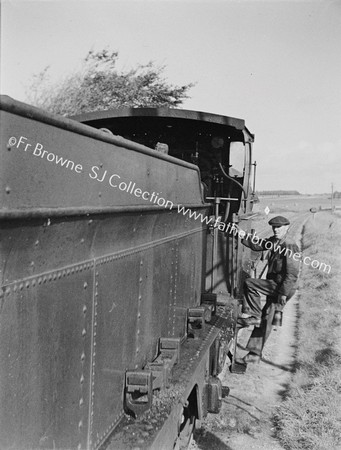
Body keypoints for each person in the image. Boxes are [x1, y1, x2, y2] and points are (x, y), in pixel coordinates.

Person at [237, 215, 300, 364]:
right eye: (274, 227)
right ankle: (253, 355)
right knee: (268, 318)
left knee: (250, 283)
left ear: (287, 227)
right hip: (275, 284)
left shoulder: (289, 245)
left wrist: (283, 294)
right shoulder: (273, 241)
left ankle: (254, 314)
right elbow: (257, 245)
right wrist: (242, 235)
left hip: (283, 287)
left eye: (279, 227)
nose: (275, 230)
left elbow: (292, 273)